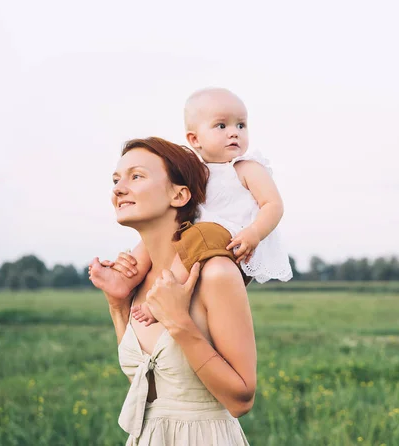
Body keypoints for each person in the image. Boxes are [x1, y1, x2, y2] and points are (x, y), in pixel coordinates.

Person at [89, 137, 255, 445]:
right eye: (116, 180)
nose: (118, 188)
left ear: (178, 195)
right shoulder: (138, 283)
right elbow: (148, 391)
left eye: (136, 176)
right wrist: (117, 305)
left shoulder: (215, 273)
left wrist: (179, 322)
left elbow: (241, 400)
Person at [91, 88, 292, 326]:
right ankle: (126, 279)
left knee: (199, 234)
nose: (233, 134)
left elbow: (273, 204)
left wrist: (255, 232)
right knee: (161, 234)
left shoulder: (246, 167)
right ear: (194, 139)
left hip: (236, 238)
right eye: (221, 126)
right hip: (201, 236)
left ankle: (163, 297)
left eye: (241, 125)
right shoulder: (196, 169)